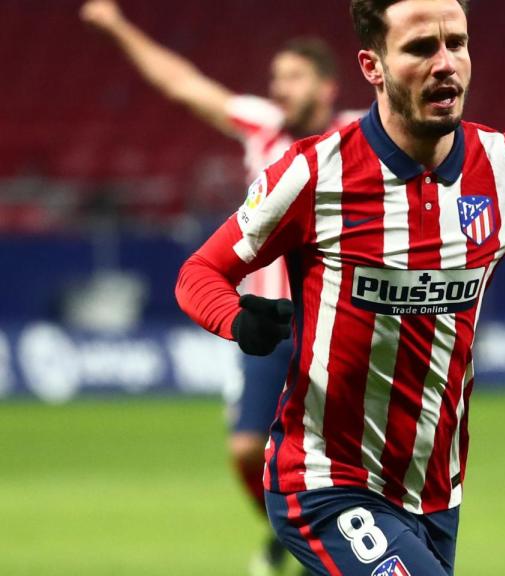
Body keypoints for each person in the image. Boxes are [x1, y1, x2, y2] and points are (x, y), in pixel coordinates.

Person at [174, 0, 505, 574]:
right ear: (373, 67)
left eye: (458, 43)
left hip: (436, 493)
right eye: (422, 48)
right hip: (326, 482)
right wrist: (237, 318)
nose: (446, 63)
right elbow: (199, 274)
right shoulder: (316, 172)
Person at [80, 1, 364, 572]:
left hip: (335, 319)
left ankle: (346, 540)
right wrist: (116, 26)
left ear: (327, 87)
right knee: (244, 451)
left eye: (293, 77)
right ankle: (292, 533)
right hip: (266, 317)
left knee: (349, 456)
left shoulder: (359, 134)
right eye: (276, 78)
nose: (280, 89)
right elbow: (183, 85)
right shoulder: (262, 125)